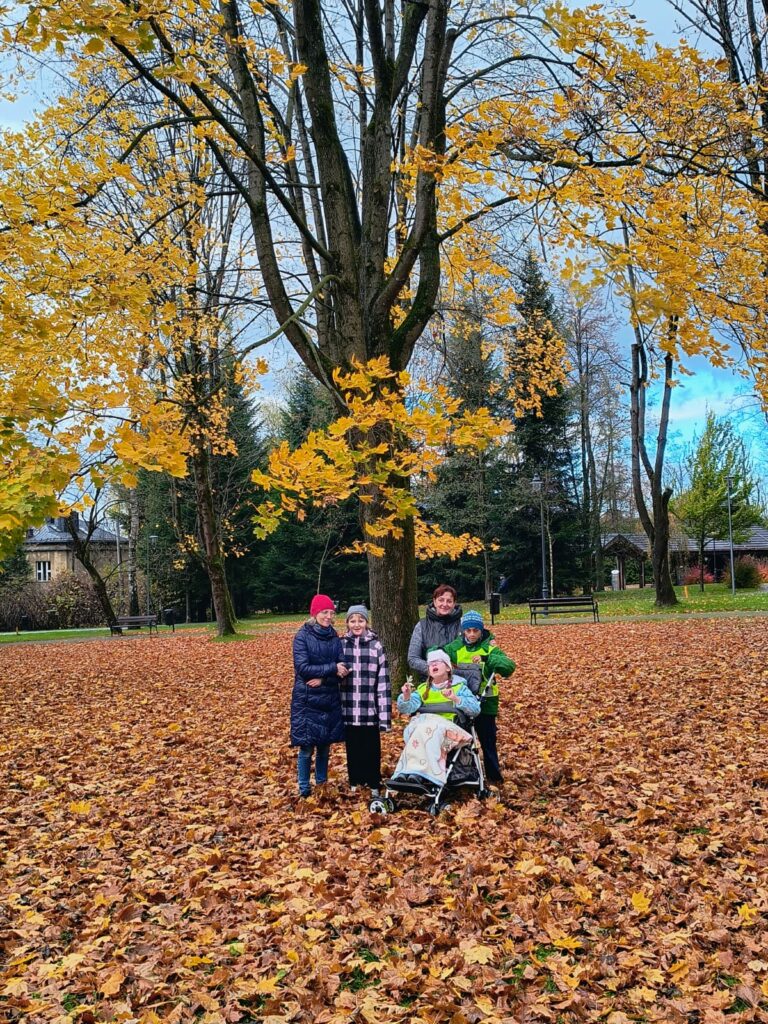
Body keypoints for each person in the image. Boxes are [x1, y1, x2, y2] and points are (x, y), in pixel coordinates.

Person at [442, 609, 515, 785]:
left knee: (488, 740)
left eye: (476, 630)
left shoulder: (490, 647)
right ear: (463, 631)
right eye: (468, 630)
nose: (472, 634)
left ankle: (494, 776)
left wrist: (487, 658)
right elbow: (438, 658)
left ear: (481, 630)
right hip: (462, 701)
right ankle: (461, 773)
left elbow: (509, 666)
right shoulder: (455, 648)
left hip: (486, 701)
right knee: (460, 739)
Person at [291, 594, 349, 799]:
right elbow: (303, 668)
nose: (328, 616)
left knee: (325, 745)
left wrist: (324, 677)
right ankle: (304, 788)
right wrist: (332, 668)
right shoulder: (302, 636)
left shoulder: (334, 636)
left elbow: (343, 666)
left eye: (331, 613)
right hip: (307, 699)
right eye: (325, 612)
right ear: (315, 613)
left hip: (329, 696)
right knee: (307, 746)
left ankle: (322, 784)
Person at [340, 605, 391, 796]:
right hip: (349, 707)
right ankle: (355, 781)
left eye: (360, 620)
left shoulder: (376, 645)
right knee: (353, 748)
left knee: (371, 748)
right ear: (347, 623)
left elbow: (383, 682)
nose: (356, 624)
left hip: (369, 709)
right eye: (352, 621)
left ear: (366, 622)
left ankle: (373, 782)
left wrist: (384, 716)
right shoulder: (341, 645)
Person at [397, 649, 480, 720]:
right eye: (430, 663)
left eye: (438, 661)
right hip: (425, 729)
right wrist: (406, 697)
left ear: (448, 668)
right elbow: (405, 709)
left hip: (451, 730)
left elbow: (475, 710)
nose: (433, 664)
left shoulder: (459, 687)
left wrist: (456, 699)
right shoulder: (422, 690)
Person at [407, 583, 463, 679]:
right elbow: (412, 658)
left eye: (449, 601)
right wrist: (436, 669)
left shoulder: (463, 624)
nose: (445, 604)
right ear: (434, 601)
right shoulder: (422, 626)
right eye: (441, 600)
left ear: (454, 604)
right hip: (430, 682)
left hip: (460, 680)